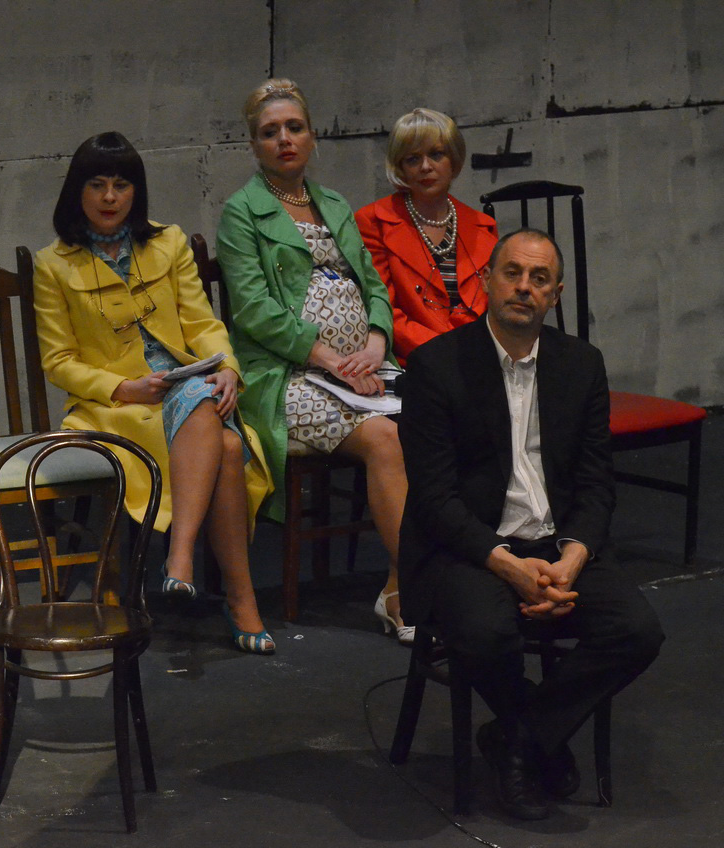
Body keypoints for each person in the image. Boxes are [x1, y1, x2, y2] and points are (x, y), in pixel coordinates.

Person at [398, 228, 664, 820]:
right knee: (486, 632)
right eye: (512, 273)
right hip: (468, 546)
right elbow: (435, 499)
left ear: (556, 295)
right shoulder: (436, 366)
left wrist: (572, 559)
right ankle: (538, 738)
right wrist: (508, 566)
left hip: (557, 540)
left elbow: (596, 483)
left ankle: (517, 739)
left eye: (539, 278)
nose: (524, 287)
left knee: (637, 631)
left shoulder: (581, 364)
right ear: (486, 282)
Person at [33, 131, 277, 653]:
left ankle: (180, 557)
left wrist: (227, 366)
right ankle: (237, 597)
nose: (109, 197)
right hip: (118, 405)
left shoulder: (168, 242)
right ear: (77, 190)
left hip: (186, 383)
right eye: (97, 185)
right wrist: (123, 387)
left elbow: (202, 323)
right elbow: (58, 361)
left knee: (200, 397)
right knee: (227, 445)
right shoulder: (53, 263)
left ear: (136, 191)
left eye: (121, 185)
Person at [216, 79, 412, 643]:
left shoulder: (334, 204)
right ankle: (413, 594)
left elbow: (373, 284)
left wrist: (375, 340)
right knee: (384, 439)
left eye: (294, 128)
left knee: (441, 421)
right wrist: (327, 357)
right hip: (287, 376)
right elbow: (252, 310)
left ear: (312, 136)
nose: (284, 139)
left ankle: (402, 581)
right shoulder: (241, 212)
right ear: (253, 145)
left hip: (359, 369)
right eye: (269, 132)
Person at [355, 108, 499, 366]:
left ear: (453, 160)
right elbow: (381, 308)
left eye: (436, 154)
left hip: (479, 357)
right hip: (416, 361)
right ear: (401, 167)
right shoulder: (373, 221)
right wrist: (445, 353)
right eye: (412, 159)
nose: (425, 167)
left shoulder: (484, 226)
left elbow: (494, 308)